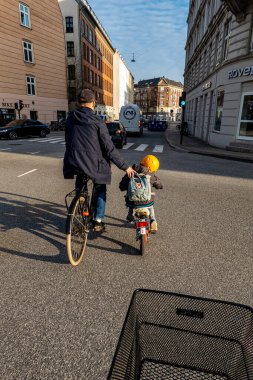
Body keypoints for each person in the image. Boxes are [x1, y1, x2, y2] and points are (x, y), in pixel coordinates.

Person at [63, 89, 135, 232]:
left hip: (74, 161)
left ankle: (80, 203)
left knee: (81, 185)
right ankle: (98, 220)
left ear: (78, 103)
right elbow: (109, 148)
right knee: (100, 187)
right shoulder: (98, 122)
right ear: (93, 103)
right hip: (94, 164)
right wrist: (125, 167)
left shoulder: (70, 119)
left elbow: (68, 140)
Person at [119, 155, 163, 233]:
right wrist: (160, 186)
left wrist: (122, 187)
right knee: (151, 206)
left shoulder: (132, 171)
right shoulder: (151, 175)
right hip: (147, 201)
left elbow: (123, 185)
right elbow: (158, 184)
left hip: (132, 202)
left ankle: (130, 216)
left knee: (131, 196)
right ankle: (153, 220)